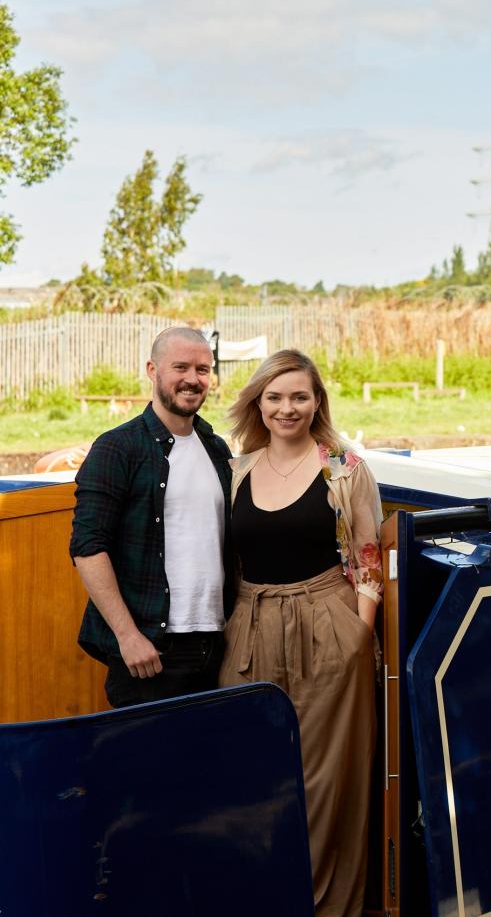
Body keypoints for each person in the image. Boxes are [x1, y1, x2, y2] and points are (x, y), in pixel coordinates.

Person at [218, 349, 381, 917]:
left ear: (317, 402)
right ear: (258, 404)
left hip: (328, 628)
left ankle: (324, 907)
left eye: (299, 396)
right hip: (250, 628)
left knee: (322, 783)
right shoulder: (235, 470)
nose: (287, 408)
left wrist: (357, 636)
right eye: (275, 397)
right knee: (254, 775)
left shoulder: (344, 467)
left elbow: (368, 561)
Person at [71, 326, 233, 707]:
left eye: (203, 370)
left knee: (208, 764)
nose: (193, 379)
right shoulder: (118, 447)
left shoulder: (216, 448)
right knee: (145, 765)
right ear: (152, 370)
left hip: (216, 644)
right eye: (181, 367)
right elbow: (87, 547)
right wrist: (128, 636)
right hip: (150, 650)